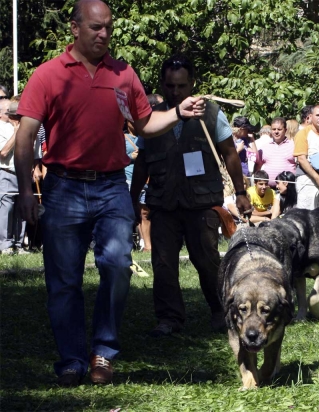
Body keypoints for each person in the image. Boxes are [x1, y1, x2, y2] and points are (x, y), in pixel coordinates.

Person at [14, 0, 207, 387]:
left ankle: (103, 350)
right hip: (63, 185)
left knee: (118, 265)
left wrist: (179, 112)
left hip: (111, 186)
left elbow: (146, 123)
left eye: (108, 29)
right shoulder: (48, 75)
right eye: (95, 28)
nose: (103, 35)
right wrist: (26, 193)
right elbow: (24, 140)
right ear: (75, 28)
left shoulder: (123, 73)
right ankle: (71, 359)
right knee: (63, 280)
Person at [129, 55, 251, 338]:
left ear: (193, 83)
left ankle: (222, 311)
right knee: (163, 263)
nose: (176, 92)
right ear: (162, 84)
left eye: (182, 86)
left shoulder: (211, 113)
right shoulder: (152, 116)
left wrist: (241, 191)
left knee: (207, 260)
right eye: (170, 86)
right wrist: (133, 198)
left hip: (201, 203)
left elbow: (230, 154)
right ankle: (169, 319)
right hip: (162, 202)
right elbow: (142, 161)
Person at [293, 104, 319, 210]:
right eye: (318, 115)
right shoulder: (302, 134)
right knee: (306, 216)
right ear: (310, 117)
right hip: (307, 179)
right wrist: (317, 178)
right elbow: (301, 159)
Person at [0, 100, 26, 254]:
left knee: (21, 209)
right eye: (10, 111)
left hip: (22, 174)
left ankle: (19, 243)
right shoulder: (2, 128)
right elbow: (3, 153)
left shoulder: (23, 127)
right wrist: (17, 133)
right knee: (6, 209)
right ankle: (5, 244)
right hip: (7, 172)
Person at [255, 117, 295, 188]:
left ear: (285, 130)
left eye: (279, 129)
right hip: (269, 190)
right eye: (274, 129)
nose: (276, 132)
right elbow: (258, 166)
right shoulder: (264, 147)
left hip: (288, 190)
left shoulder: (293, 145)